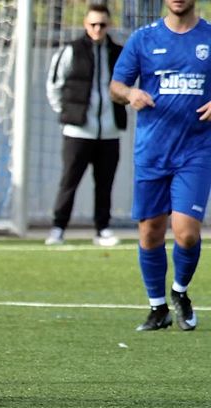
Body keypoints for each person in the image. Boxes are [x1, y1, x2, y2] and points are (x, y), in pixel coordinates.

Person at [110, 0, 211, 332]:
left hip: (196, 150)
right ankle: (157, 307)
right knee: (150, 231)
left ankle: (180, 290)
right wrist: (130, 94)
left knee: (186, 233)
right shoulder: (143, 38)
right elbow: (116, 86)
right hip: (152, 151)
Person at [45, 4, 125, 247]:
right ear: (85, 25)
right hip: (78, 131)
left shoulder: (119, 52)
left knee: (105, 183)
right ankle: (58, 228)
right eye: (93, 24)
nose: (97, 29)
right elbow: (54, 85)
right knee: (69, 181)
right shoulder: (71, 50)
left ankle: (103, 229)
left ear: (109, 25)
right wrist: (69, 113)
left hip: (109, 131)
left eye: (102, 24)